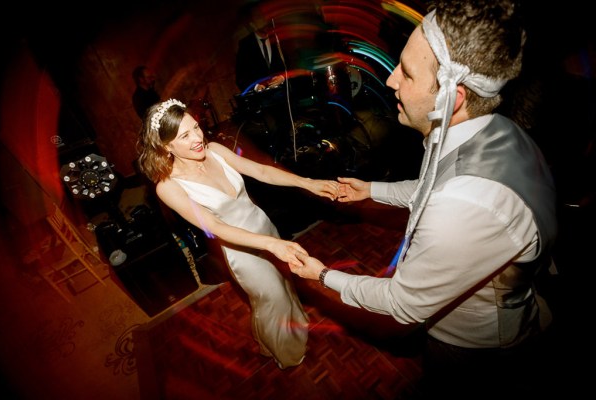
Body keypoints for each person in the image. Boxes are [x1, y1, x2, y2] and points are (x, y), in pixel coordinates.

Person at [289, 0, 558, 397]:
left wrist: (322, 275)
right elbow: (433, 184)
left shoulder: (464, 206)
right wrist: (371, 190)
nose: (391, 80)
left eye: (408, 73)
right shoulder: (493, 128)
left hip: (471, 349)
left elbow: (403, 303)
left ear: (455, 96)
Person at [136, 98, 339, 369]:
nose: (198, 138)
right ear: (165, 146)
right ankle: (285, 352)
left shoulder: (215, 150)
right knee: (271, 299)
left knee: (284, 281)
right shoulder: (168, 187)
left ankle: (295, 323)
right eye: (185, 135)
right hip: (242, 250)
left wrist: (307, 183)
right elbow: (216, 227)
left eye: (196, 127)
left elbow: (260, 170)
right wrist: (270, 245)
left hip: (264, 227)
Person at [235, 2, 286, 93]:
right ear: (252, 23)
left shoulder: (278, 37)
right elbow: (241, 78)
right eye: (259, 17)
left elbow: (291, 62)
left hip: (283, 92)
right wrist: (256, 87)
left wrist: (282, 77)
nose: (265, 20)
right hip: (262, 98)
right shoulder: (245, 45)